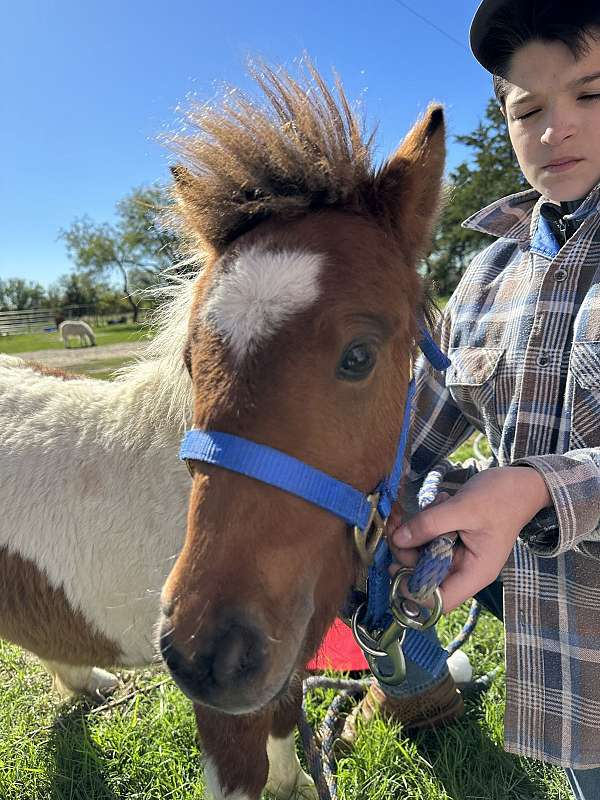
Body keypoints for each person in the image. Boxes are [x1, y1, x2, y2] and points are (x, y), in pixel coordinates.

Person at [342, 2, 600, 797]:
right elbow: (419, 421)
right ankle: (418, 683)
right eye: (528, 107)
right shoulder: (487, 275)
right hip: (553, 637)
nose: (555, 128)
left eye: (590, 96)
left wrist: (534, 488)